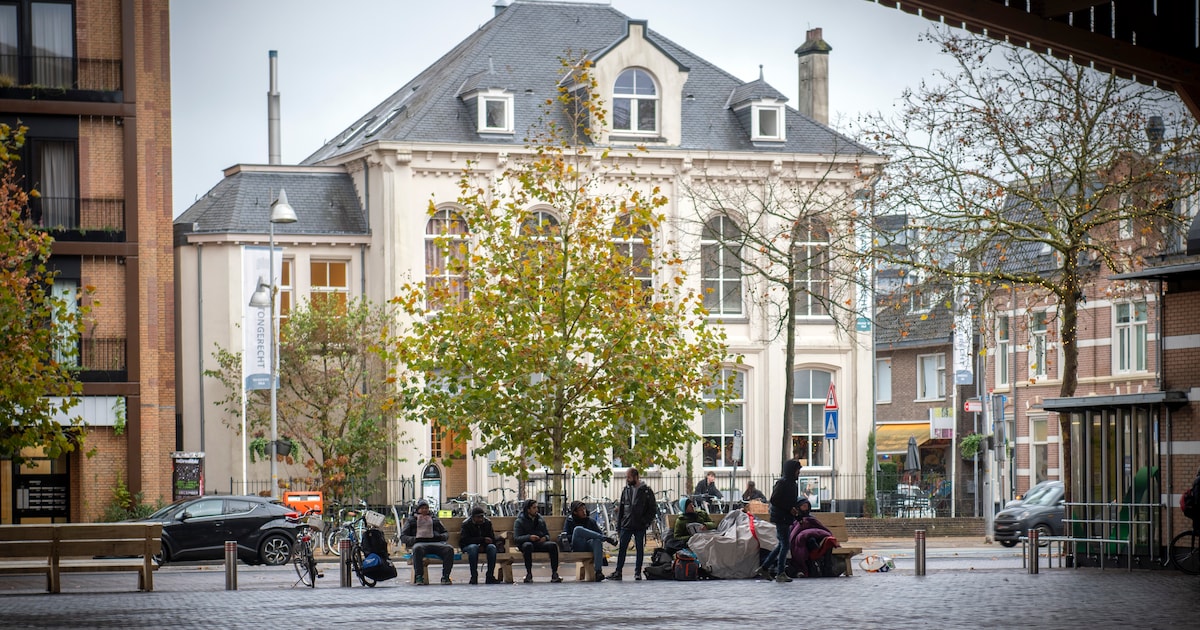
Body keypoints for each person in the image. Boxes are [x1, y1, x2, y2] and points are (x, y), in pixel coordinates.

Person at [757, 459, 802, 583]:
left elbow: (791, 502)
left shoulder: (793, 484)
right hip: (781, 517)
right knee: (785, 544)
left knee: (781, 544)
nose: (799, 473)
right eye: (797, 470)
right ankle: (780, 572)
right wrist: (789, 509)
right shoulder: (782, 483)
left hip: (785, 517)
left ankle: (765, 567)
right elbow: (775, 500)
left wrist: (797, 515)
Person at [609, 466, 657, 581]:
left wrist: (645, 522)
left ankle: (637, 572)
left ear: (636, 477)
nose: (627, 479)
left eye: (629, 477)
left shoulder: (646, 491)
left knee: (640, 549)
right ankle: (618, 571)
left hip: (639, 525)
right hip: (627, 524)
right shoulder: (626, 490)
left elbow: (652, 509)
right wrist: (619, 526)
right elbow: (621, 508)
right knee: (622, 549)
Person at [400, 499, 455, 585]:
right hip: (420, 543)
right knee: (417, 548)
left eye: (426, 508)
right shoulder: (411, 520)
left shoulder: (434, 519)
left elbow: (445, 533)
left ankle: (446, 576)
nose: (424, 510)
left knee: (449, 549)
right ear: (418, 509)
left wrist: (440, 536)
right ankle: (419, 577)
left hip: (436, 543)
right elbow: (403, 536)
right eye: (422, 508)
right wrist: (414, 539)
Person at [563, 500, 617, 582]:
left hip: (589, 545)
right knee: (578, 529)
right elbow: (566, 535)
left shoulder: (591, 521)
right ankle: (606, 538)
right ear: (575, 512)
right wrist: (583, 535)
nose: (584, 512)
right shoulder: (570, 521)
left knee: (597, 541)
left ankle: (598, 572)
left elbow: (599, 533)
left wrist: (589, 536)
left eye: (584, 509)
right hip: (578, 545)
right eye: (581, 510)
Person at [787, 498, 839, 577]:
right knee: (809, 540)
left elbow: (819, 527)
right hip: (804, 542)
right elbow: (793, 532)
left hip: (817, 539)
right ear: (798, 507)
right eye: (803, 506)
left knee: (828, 541)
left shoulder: (811, 518)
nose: (805, 508)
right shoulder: (794, 519)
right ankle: (812, 566)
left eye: (807, 506)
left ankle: (827, 568)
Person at [514, 499, 561, 583]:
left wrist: (545, 538)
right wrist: (529, 537)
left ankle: (554, 573)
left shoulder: (540, 519)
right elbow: (517, 538)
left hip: (539, 543)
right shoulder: (520, 521)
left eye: (537, 507)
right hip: (527, 544)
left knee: (553, 545)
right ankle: (529, 574)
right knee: (528, 546)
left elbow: (547, 534)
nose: (537, 510)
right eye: (534, 508)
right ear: (528, 509)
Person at [460, 506, 500, 584]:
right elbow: (465, 540)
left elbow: (492, 538)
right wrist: (481, 540)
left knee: (492, 548)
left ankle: (490, 576)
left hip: (484, 545)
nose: (481, 519)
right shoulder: (466, 524)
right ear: (473, 517)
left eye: (482, 517)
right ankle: (474, 576)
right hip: (469, 546)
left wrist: (484, 544)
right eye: (478, 517)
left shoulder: (487, 523)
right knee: (473, 548)